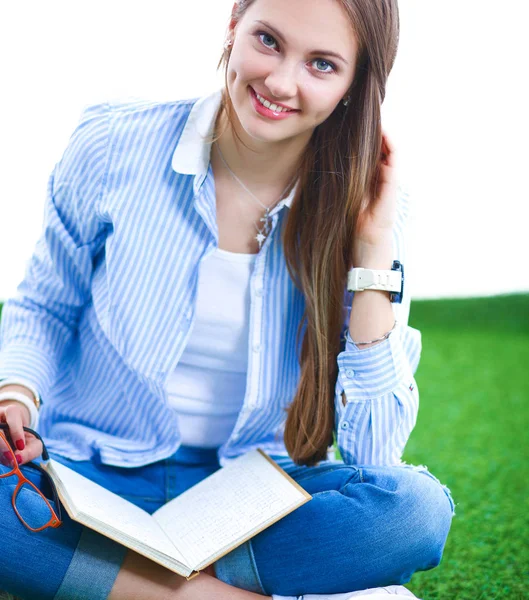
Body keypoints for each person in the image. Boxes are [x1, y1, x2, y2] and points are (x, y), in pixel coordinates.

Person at [0, 0, 456, 599]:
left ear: (355, 86)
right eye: (268, 40)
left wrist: (371, 248)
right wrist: (16, 397)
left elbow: (376, 457)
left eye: (322, 64)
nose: (281, 82)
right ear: (234, 23)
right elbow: (46, 304)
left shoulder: (371, 208)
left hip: (252, 497)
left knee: (415, 509)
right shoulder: (112, 145)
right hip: (91, 467)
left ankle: (116, 582)